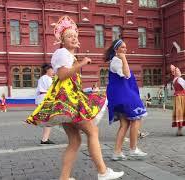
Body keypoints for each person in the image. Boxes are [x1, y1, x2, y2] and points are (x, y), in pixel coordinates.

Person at [26, 16, 124, 180]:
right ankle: (102, 172)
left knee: (75, 141)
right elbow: (63, 75)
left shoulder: (66, 55)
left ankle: (64, 177)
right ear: (62, 40)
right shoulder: (62, 53)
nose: (74, 38)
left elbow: (68, 79)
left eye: (75, 36)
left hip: (67, 102)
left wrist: (80, 71)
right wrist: (82, 63)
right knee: (92, 131)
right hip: (69, 102)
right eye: (69, 36)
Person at [105, 39, 148, 161]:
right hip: (124, 95)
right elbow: (127, 74)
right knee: (137, 118)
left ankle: (117, 152)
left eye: (125, 47)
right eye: (122, 47)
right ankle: (133, 149)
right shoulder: (116, 61)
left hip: (120, 95)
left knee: (124, 124)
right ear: (116, 50)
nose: (125, 49)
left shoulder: (115, 61)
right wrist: (123, 58)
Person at [35, 63, 55, 145]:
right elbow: (52, 90)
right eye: (52, 70)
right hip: (46, 99)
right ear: (48, 70)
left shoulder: (42, 78)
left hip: (42, 98)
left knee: (49, 119)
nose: (54, 72)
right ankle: (44, 139)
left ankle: (45, 139)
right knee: (48, 120)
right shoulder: (47, 78)